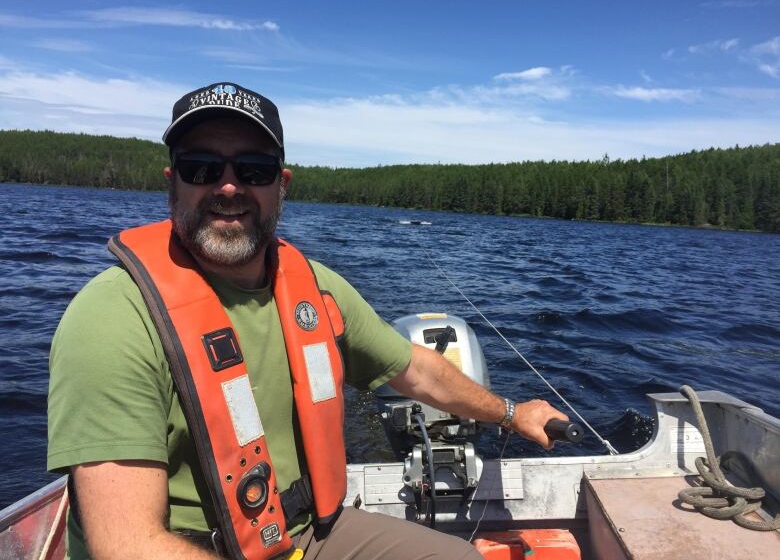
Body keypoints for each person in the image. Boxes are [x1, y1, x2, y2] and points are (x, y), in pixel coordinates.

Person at [47, 81, 568, 560]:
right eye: (202, 168)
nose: (228, 187)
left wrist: (510, 412)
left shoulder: (316, 290)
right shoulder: (114, 317)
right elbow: (127, 545)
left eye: (253, 169)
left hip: (305, 536)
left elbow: (416, 370)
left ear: (282, 184)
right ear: (172, 182)